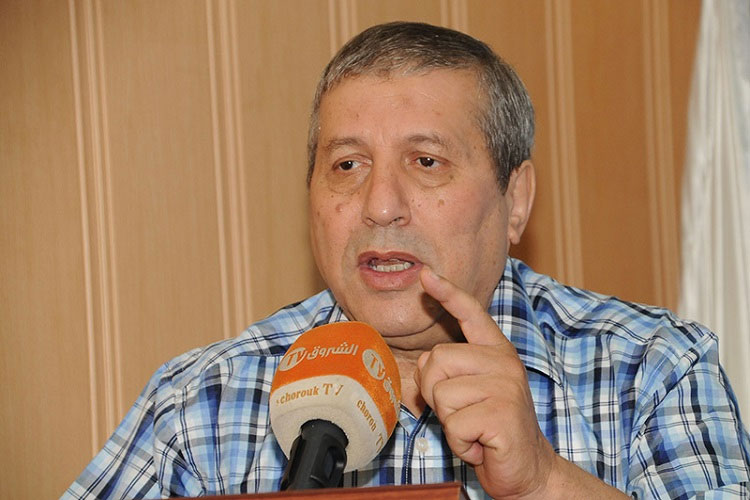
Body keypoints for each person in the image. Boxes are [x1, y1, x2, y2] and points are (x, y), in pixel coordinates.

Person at [64, 21, 750, 499]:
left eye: (426, 162)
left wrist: (545, 482)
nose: (380, 206)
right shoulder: (199, 404)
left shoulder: (652, 369)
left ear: (515, 201)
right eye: (347, 165)